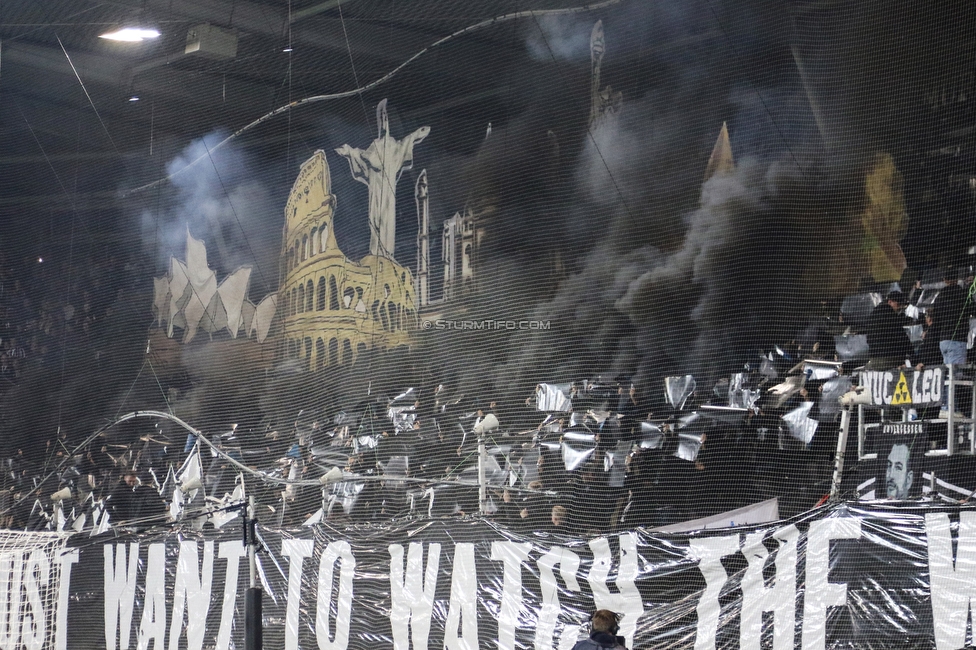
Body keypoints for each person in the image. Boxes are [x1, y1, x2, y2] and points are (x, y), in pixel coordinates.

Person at [865, 291, 914, 369]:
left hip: (874, 359)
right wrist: (913, 354)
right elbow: (901, 336)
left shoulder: (873, 314)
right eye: (898, 304)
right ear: (890, 302)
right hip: (890, 359)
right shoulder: (890, 315)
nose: (899, 307)